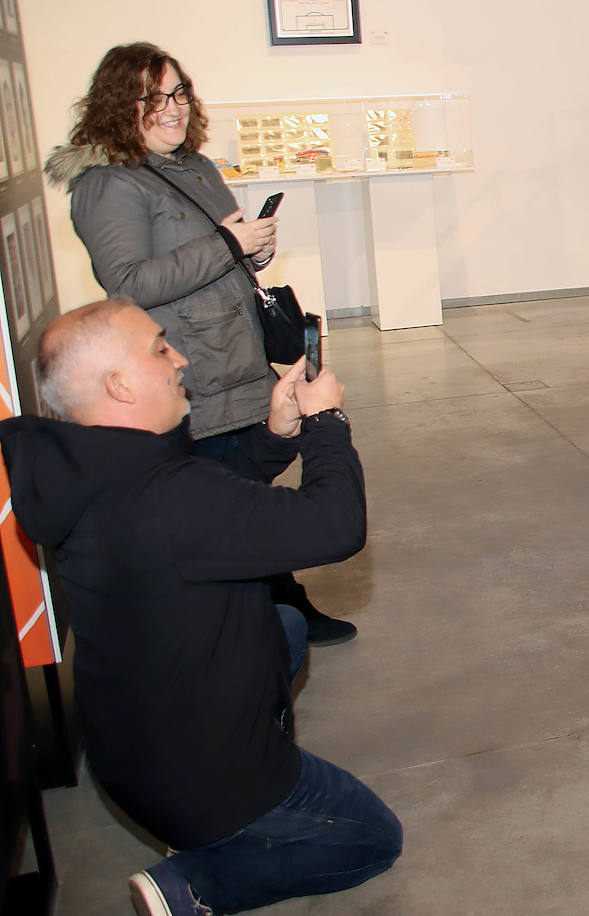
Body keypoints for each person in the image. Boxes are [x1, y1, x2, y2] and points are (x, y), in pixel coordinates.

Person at [0, 300, 401, 914]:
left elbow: (213, 510)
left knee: (288, 624)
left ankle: (215, 819)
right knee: (373, 838)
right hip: (201, 777)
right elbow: (335, 525)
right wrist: (326, 423)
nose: (179, 358)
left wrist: (275, 436)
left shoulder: (89, 467)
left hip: (126, 748)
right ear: (119, 384)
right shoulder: (170, 501)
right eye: (161, 348)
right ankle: (198, 882)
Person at [43, 41, 355, 645]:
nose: (172, 109)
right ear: (118, 105)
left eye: (178, 93)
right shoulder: (108, 185)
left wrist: (252, 247)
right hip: (191, 370)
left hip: (236, 355)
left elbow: (220, 251)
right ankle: (264, 611)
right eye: (152, 98)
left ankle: (277, 601)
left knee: (248, 492)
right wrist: (227, 245)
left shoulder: (195, 167)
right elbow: (127, 283)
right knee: (225, 502)